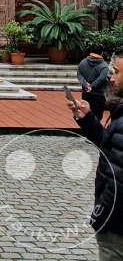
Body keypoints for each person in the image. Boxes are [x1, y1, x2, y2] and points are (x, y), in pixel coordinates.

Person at [68, 48, 123, 259]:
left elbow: (119, 182)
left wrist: (102, 216)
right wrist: (87, 119)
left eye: (117, 71)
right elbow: (110, 147)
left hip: (117, 227)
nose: (112, 77)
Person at [77, 43, 109, 121]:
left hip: (86, 94)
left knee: (85, 115)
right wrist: (92, 86)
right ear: (102, 53)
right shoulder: (104, 65)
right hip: (98, 95)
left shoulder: (83, 62)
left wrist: (86, 85)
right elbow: (102, 78)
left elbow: (79, 74)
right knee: (97, 117)